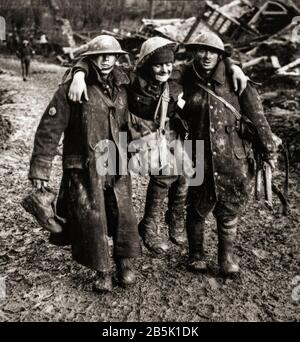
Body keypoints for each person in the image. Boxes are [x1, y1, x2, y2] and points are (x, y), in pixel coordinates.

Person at [66, 35, 249, 258]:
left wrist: (234, 66)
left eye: (169, 64)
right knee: (167, 173)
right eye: (158, 64)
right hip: (138, 135)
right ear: (146, 64)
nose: (165, 69)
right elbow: (98, 63)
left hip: (167, 132)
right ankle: (149, 225)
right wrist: (78, 73)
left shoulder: (177, 75)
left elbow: (207, 63)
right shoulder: (130, 78)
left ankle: (175, 217)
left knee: (190, 171)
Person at [28, 35, 141, 292]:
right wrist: (40, 168)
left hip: (116, 161)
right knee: (93, 217)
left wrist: (232, 66)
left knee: (122, 213)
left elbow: (153, 77)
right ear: (89, 59)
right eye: (98, 56)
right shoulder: (72, 87)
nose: (105, 60)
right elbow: (49, 128)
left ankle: (124, 262)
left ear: (117, 58)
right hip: (85, 164)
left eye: (110, 56)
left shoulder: (125, 84)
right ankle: (102, 270)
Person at [179, 31, 277, 275]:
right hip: (198, 153)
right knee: (197, 206)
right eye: (201, 50)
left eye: (212, 51)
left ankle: (227, 257)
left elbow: (257, 116)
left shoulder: (237, 80)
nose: (207, 55)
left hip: (232, 156)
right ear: (194, 53)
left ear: (221, 54)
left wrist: (268, 149)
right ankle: (196, 255)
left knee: (229, 208)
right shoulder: (185, 76)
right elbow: (169, 76)